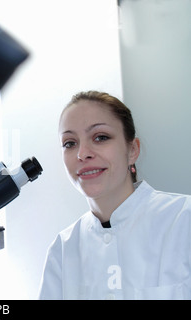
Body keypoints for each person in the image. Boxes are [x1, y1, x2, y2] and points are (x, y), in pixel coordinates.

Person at [38, 91, 191, 299]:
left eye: (101, 137)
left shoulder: (183, 220)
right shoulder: (62, 250)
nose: (83, 153)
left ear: (132, 151)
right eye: (70, 143)